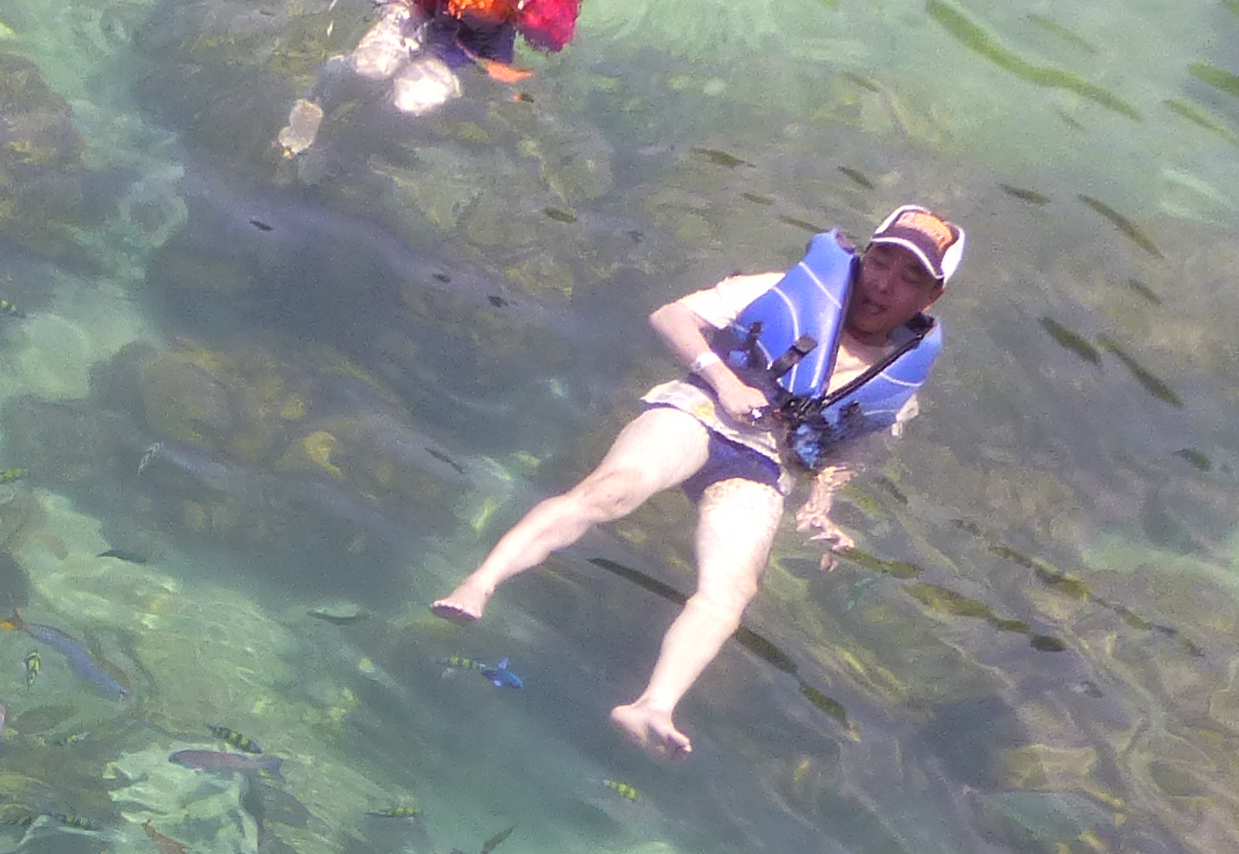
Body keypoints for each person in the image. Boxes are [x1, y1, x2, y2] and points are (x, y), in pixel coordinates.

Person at [430, 205, 962, 757]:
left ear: (930, 298)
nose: (884, 283)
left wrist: (822, 506)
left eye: (909, 277)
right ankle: (482, 582)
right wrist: (725, 382)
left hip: (764, 462)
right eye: (881, 261)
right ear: (865, 256)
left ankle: (652, 705)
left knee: (732, 590)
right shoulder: (785, 288)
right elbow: (671, 316)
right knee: (615, 488)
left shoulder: (902, 380)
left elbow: (852, 450)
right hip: (703, 408)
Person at [282, 0, 579, 150]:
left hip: (468, 45)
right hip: (415, 9)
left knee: (411, 96)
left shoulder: (539, 10)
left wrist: (495, 60)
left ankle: (357, 128)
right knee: (371, 63)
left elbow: (554, 37)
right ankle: (320, 97)